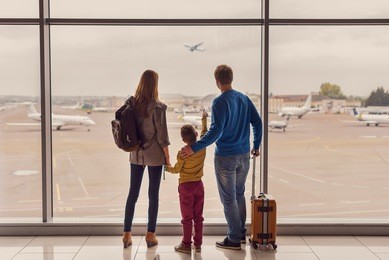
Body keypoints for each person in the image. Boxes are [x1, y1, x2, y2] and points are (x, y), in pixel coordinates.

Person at [181, 64, 262, 250]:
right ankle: (240, 233)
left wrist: (194, 147)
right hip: (243, 155)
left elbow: (215, 132)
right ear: (231, 78)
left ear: (217, 82)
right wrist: (256, 145)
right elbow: (257, 123)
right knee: (239, 194)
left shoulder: (219, 102)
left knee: (228, 199)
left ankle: (233, 239)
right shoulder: (244, 99)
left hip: (226, 157)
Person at [122, 70, 171, 248]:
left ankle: (127, 234)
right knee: (153, 195)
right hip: (155, 155)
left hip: (135, 154)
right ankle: (150, 234)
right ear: (155, 84)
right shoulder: (158, 108)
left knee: (132, 194)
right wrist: (167, 157)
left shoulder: (131, 104)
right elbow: (162, 137)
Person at [165, 109, 208, 254]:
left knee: (187, 218)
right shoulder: (202, 147)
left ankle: (186, 244)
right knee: (198, 217)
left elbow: (177, 169)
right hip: (199, 186)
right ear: (195, 135)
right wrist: (204, 118)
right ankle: (198, 244)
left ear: (184, 140)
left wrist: (167, 167)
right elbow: (205, 132)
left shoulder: (182, 152)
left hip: (186, 187)